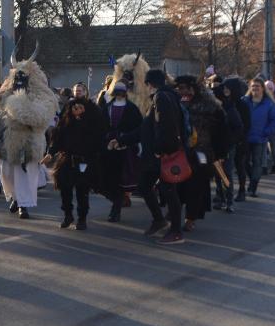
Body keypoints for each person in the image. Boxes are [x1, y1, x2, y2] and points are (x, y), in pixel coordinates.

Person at [0, 45, 59, 219]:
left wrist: (19, 104)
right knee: (6, 173)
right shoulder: (4, 95)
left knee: (24, 174)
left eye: (23, 76)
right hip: (7, 141)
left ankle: (24, 205)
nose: (19, 79)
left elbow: (38, 117)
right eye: (16, 76)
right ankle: (14, 197)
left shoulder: (42, 96)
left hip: (29, 140)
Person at [116, 69, 186, 244]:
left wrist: (159, 149)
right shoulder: (161, 98)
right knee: (145, 186)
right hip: (157, 155)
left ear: (149, 84)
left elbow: (167, 127)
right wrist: (122, 140)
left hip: (163, 155)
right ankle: (159, 220)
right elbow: (145, 129)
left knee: (169, 192)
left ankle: (176, 231)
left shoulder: (162, 98)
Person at [175, 75, 229, 232]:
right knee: (176, 184)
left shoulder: (210, 106)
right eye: (180, 88)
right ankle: (175, 212)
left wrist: (221, 152)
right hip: (179, 152)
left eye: (187, 88)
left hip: (202, 153)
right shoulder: (175, 104)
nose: (183, 91)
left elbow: (222, 131)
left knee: (196, 186)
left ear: (195, 89)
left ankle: (191, 217)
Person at [45, 97, 105, 230]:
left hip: (85, 161)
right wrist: (50, 153)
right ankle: (68, 215)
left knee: (82, 191)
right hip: (67, 160)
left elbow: (98, 141)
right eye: (74, 108)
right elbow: (57, 139)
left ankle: (82, 218)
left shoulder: (92, 124)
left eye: (80, 108)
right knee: (65, 190)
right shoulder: (66, 123)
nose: (76, 110)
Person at [98, 82, 142, 222]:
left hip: (125, 147)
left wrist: (132, 142)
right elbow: (102, 126)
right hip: (109, 147)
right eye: (116, 91)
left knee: (121, 179)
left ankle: (116, 209)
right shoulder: (107, 107)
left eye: (121, 92)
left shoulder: (132, 108)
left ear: (125, 93)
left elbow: (138, 128)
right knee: (107, 178)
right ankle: (117, 202)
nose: (118, 94)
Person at [213, 77, 249, 211]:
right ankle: (221, 197)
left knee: (226, 173)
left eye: (228, 88)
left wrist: (231, 142)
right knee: (218, 173)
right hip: (217, 146)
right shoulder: (220, 105)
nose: (225, 90)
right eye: (225, 88)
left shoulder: (232, 109)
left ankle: (229, 201)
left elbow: (239, 128)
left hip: (228, 147)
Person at [241, 78, 275, 197]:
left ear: (262, 88)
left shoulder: (269, 103)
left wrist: (266, 131)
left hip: (260, 138)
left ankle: (252, 187)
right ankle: (251, 180)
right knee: (244, 162)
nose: (255, 88)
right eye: (253, 86)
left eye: (257, 86)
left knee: (257, 163)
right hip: (246, 138)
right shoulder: (244, 101)